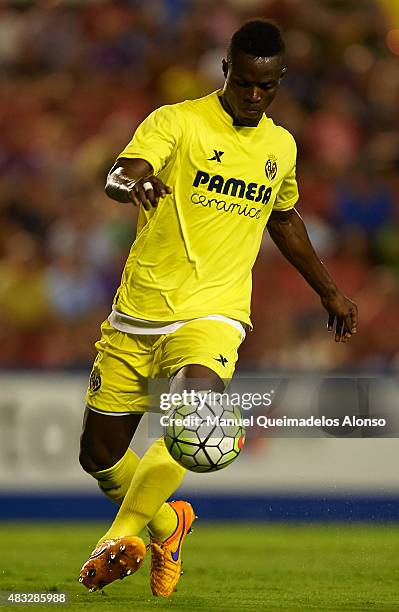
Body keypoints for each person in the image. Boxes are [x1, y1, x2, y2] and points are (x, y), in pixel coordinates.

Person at [78, 19, 358, 597]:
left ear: (280, 81)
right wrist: (131, 185)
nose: (254, 96)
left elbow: (283, 217)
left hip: (214, 312)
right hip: (139, 309)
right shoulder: (176, 121)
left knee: (194, 411)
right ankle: (167, 521)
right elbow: (120, 173)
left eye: (268, 87)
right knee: (99, 459)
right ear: (226, 69)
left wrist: (328, 288)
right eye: (245, 83)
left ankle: (120, 535)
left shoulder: (281, 146)